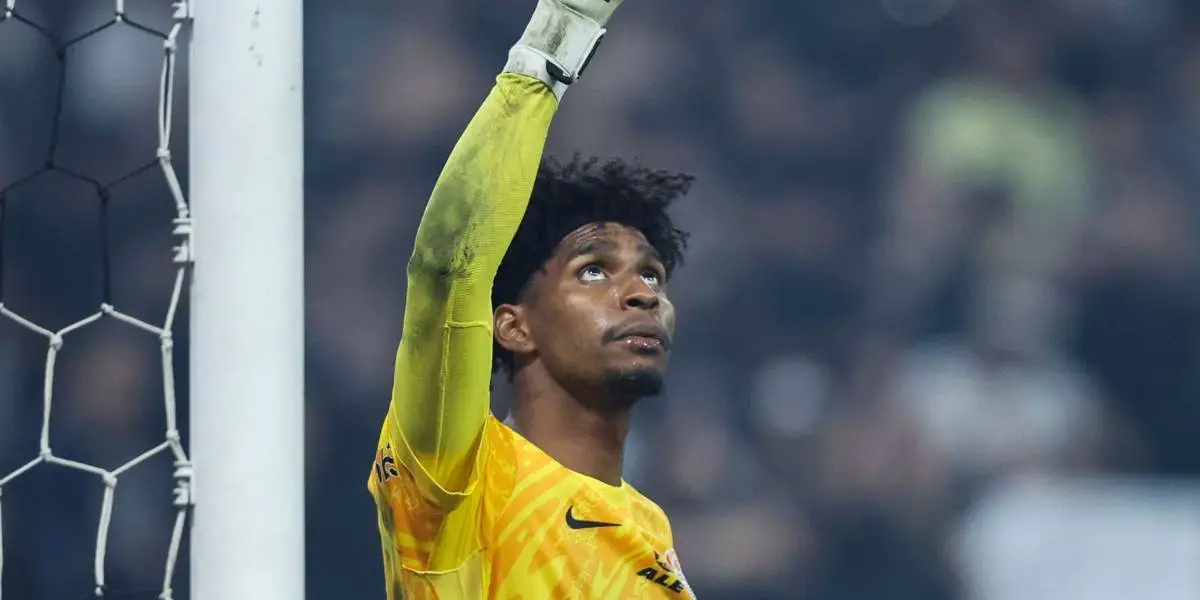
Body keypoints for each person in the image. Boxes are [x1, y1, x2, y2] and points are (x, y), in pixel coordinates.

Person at [367, 0, 696, 597]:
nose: (642, 295)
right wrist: (558, 36)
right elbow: (448, 269)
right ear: (513, 327)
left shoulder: (651, 532)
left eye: (652, 276)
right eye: (594, 271)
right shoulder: (460, 471)